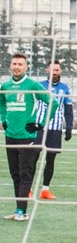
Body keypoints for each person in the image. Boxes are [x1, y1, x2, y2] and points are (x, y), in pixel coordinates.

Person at [1, 53, 55, 221]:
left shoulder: (32, 85)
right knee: (15, 174)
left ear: (26, 67)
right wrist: (3, 119)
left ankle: (21, 211)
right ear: (10, 66)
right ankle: (19, 209)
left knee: (25, 174)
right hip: (10, 136)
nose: (17, 66)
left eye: (20, 64)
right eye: (14, 63)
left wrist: (41, 124)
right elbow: (1, 102)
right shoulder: (6, 86)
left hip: (27, 137)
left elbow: (53, 101)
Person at [39, 61, 72, 200]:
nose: (55, 72)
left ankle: (45, 190)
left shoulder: (64, 88)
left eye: (57, 70)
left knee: (51, 159)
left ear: (60, 72)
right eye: (52, 70)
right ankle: (26, 189)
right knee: (31, 159)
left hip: (55, 129)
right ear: (47, 70)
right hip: (39, 127)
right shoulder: (39, 86)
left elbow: (68, 109)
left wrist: (69, 127)